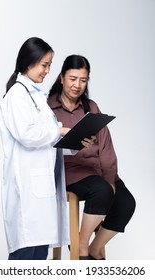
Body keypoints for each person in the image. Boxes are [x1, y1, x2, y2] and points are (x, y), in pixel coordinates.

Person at [0, 38, 93, 260]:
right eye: (44, 64)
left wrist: (74, 141)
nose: (48, 71)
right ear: (29, 62)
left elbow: (49, 138)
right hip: (27, 190)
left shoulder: (37, 97)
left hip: (43, 189)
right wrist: (60, 132)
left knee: (40, 255)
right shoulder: (17, 95)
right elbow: (26, 134)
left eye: (50, 65)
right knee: (24, 257)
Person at [48, 54, 136, 260]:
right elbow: (42, 145)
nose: (77, 85)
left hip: (96, 171)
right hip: (70, 172)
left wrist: (110, 177)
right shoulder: (47, 108)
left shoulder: (91, 107)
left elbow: (105, 145)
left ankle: (94, 248)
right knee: (102, 191)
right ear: (61, 77)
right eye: (72, 78)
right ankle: (82, 247)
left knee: (126, 203)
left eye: (83, 80)